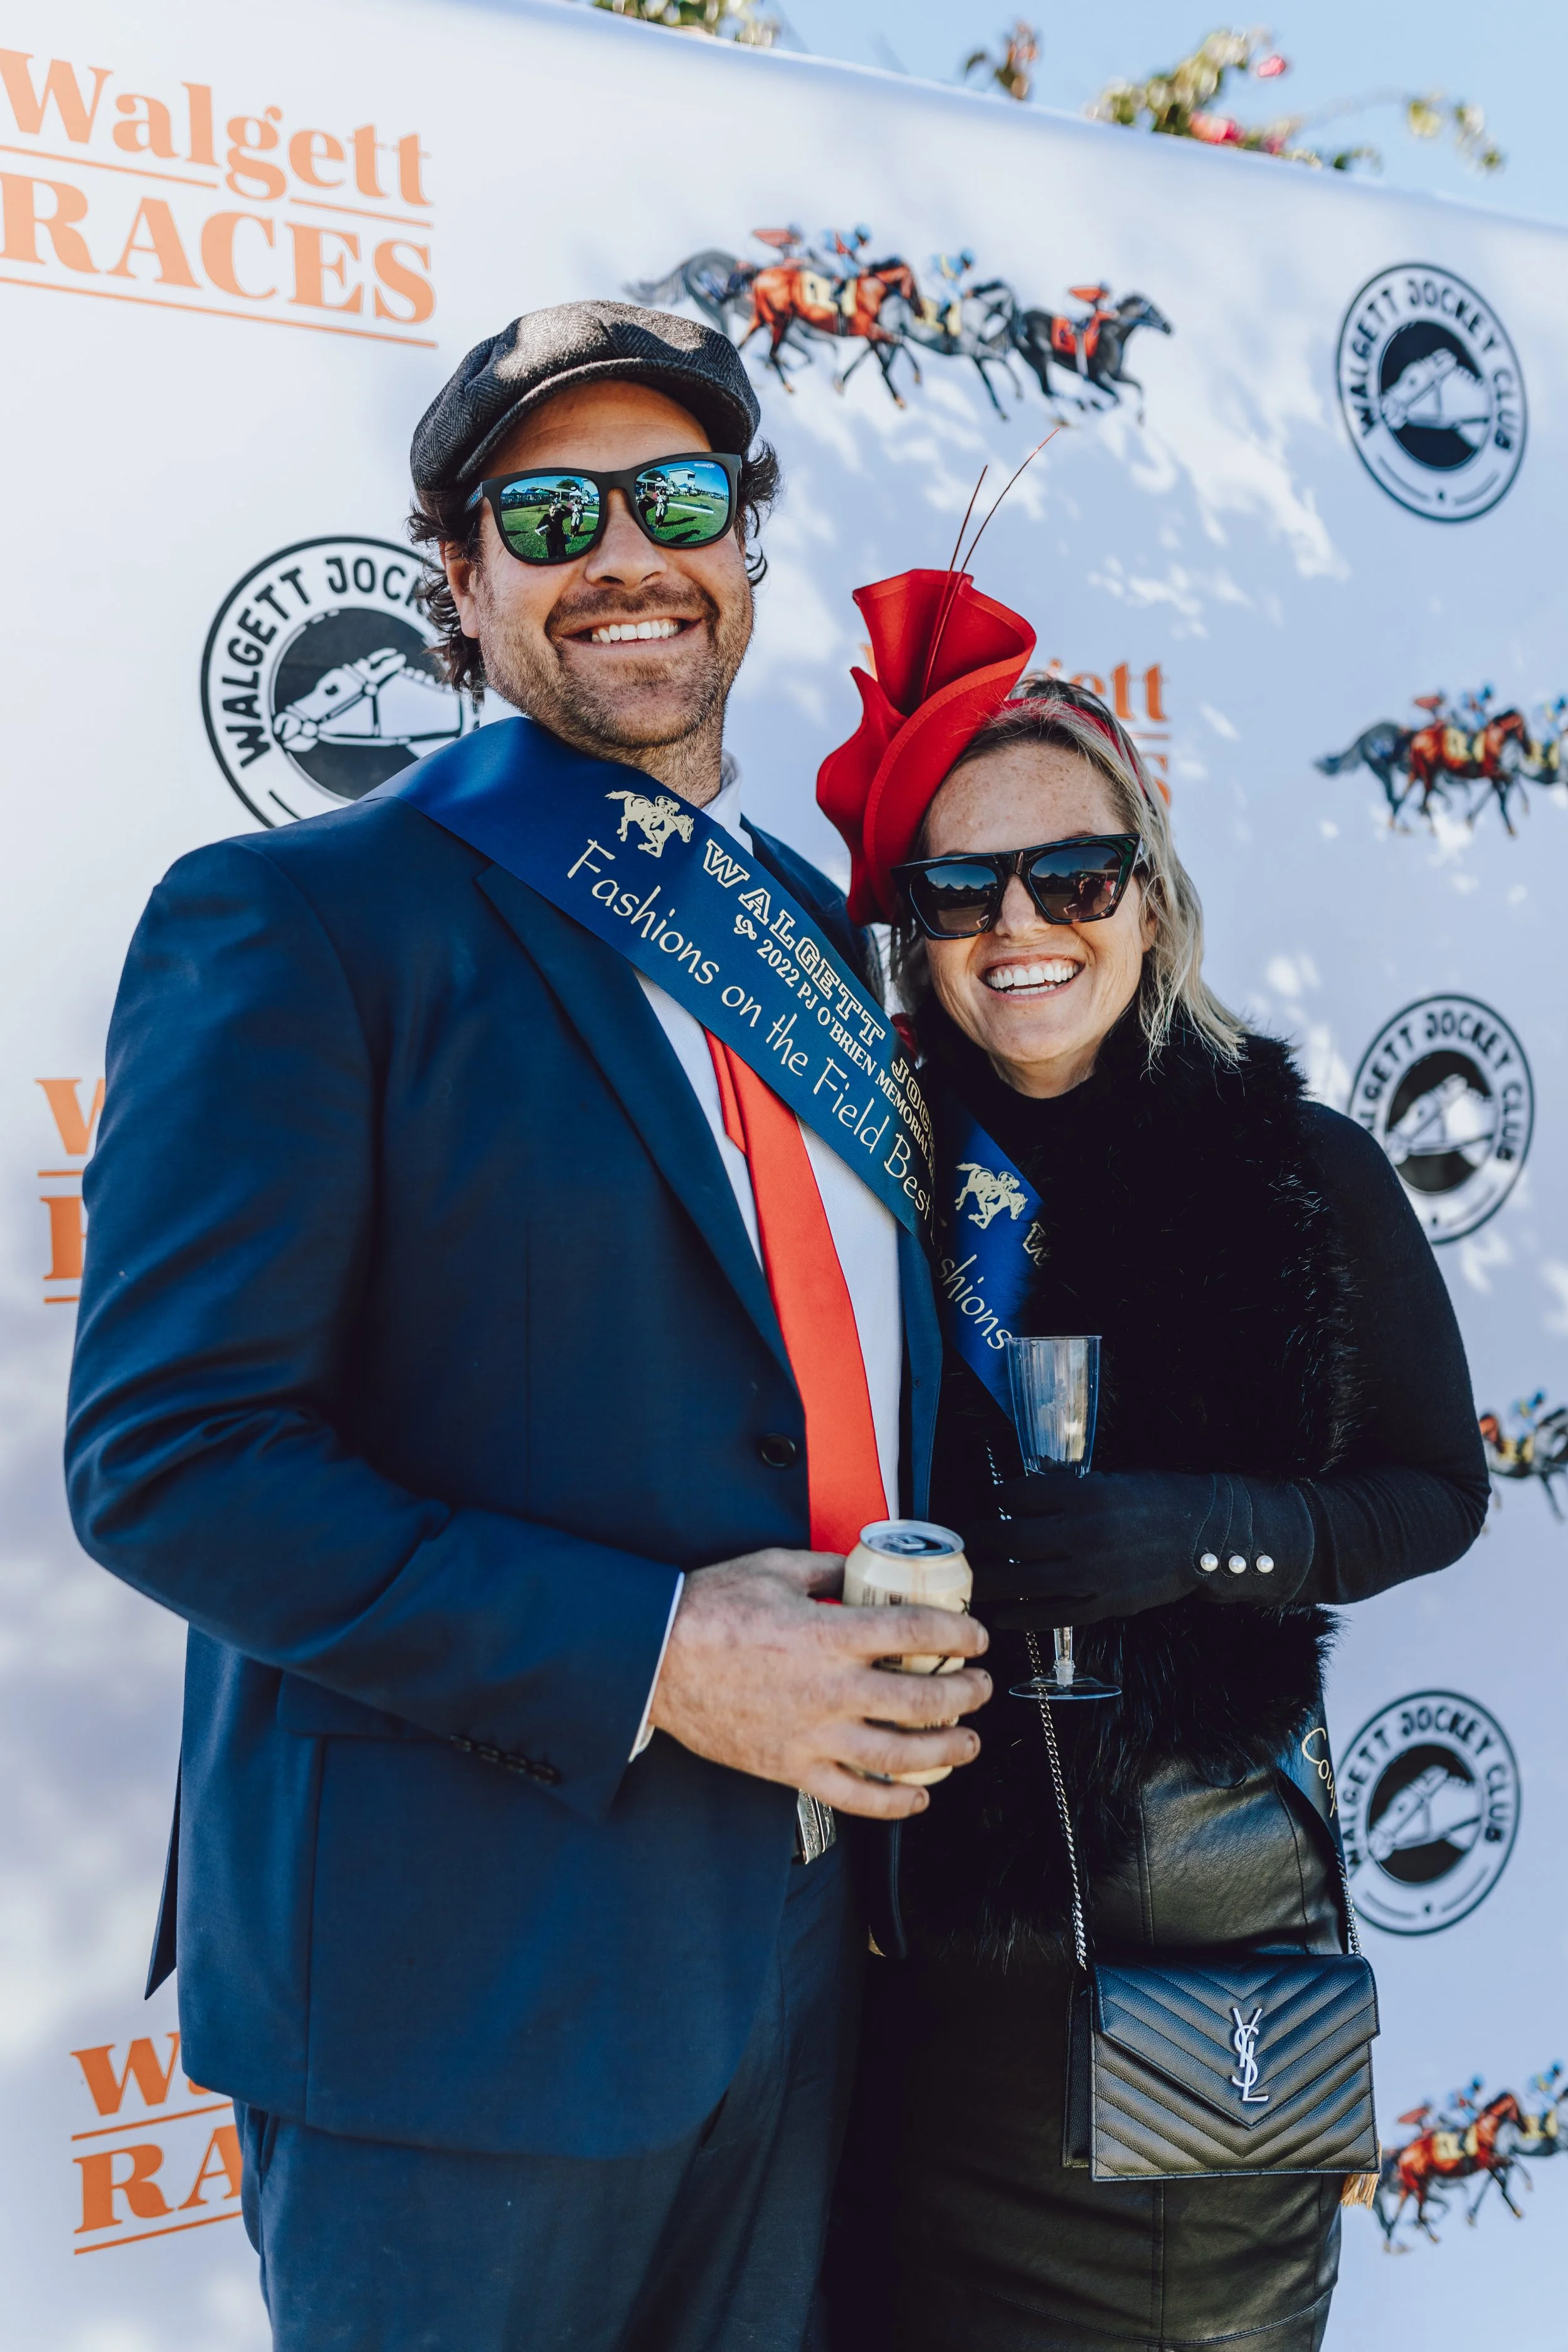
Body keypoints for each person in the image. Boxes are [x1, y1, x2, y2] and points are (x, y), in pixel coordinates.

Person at [63, 304, 991, 2352]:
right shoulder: (304, 918)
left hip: (806, 1949)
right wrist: (670, 1652)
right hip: (456, 1992)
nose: (625, 553)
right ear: (461, 588)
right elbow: (170, 1461)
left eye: (678, 498)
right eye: (547, 510)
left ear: (744, 548)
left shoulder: (809, 940)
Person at [815, 569, 1489, 2352]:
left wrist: (1195, 1531)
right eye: (958, 887)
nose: (1017, 921)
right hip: (895, 1988)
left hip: (1196, 1969)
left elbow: (1433, 1494)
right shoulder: (848, 1182)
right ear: (911, 928)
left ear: (1148, 895)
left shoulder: (1299, 1169)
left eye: (1073, 872)